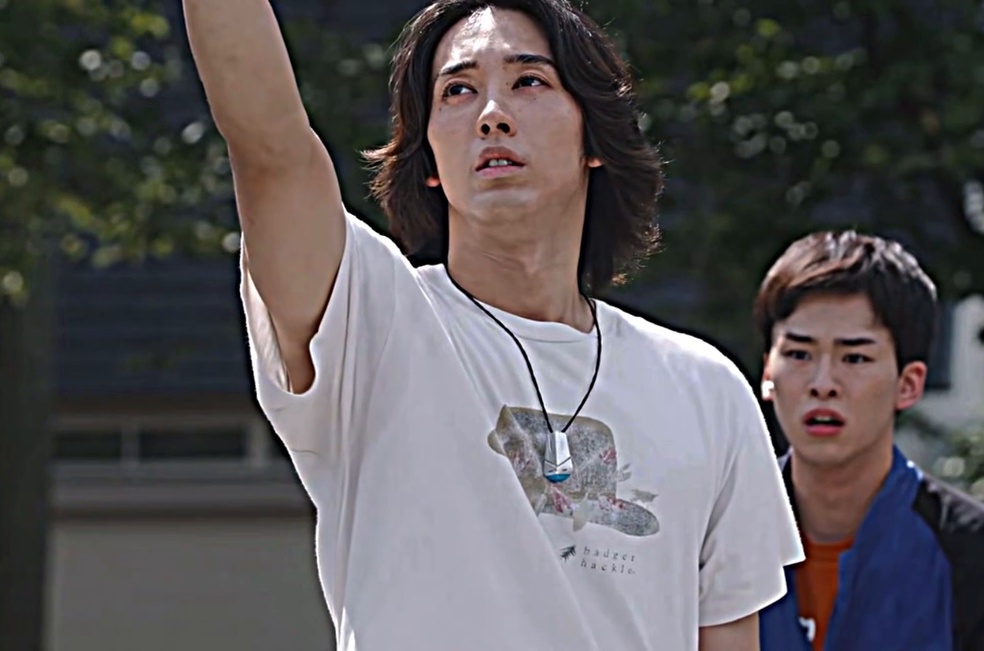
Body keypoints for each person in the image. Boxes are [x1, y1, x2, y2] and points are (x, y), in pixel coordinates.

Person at [182, 0, 803, 648]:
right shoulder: (371, 321)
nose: (491, 115)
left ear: (594, 137)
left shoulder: (705, 388)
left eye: (528, 81)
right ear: (429, 157)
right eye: (457, 91)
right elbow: (271, 148)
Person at [752, 231, 984, 650]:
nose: (822, 383)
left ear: (909, 384)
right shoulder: (709, 538)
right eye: (798, 355)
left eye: (855, 358)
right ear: (767, 373)